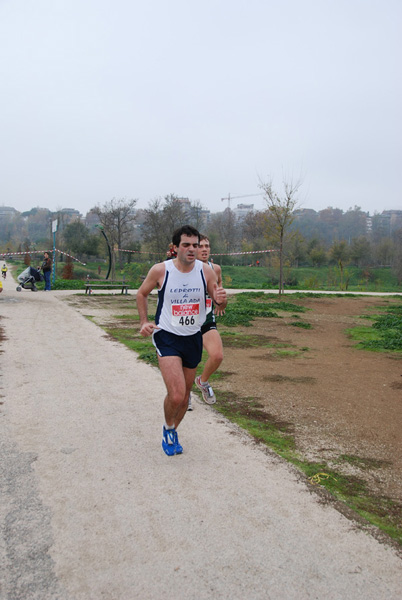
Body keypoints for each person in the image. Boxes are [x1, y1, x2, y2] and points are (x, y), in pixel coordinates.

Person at [137, 225, 227, 456]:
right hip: (167, 335)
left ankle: (172, 430)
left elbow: (218, 304)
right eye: (186, 245)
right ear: (175, 247)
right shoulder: (160, 270)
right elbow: (142, 293)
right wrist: (144, 321)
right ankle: (168, 428)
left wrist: (221, 301)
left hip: (193, 337)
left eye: (195, 245)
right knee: (176, 394)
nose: (192, 249)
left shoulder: (206, 272)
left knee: (186, 396)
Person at [191, 235, 224, 407]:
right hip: (186, 321)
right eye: (201, 246)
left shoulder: (215, 268)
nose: (204, 249)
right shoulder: (184, 268)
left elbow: (219, 286)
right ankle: (184, 393)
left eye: (207, 246)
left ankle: (202, 382)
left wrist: (220, 302)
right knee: (186, 360)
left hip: (206, 319)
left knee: (217, 355)